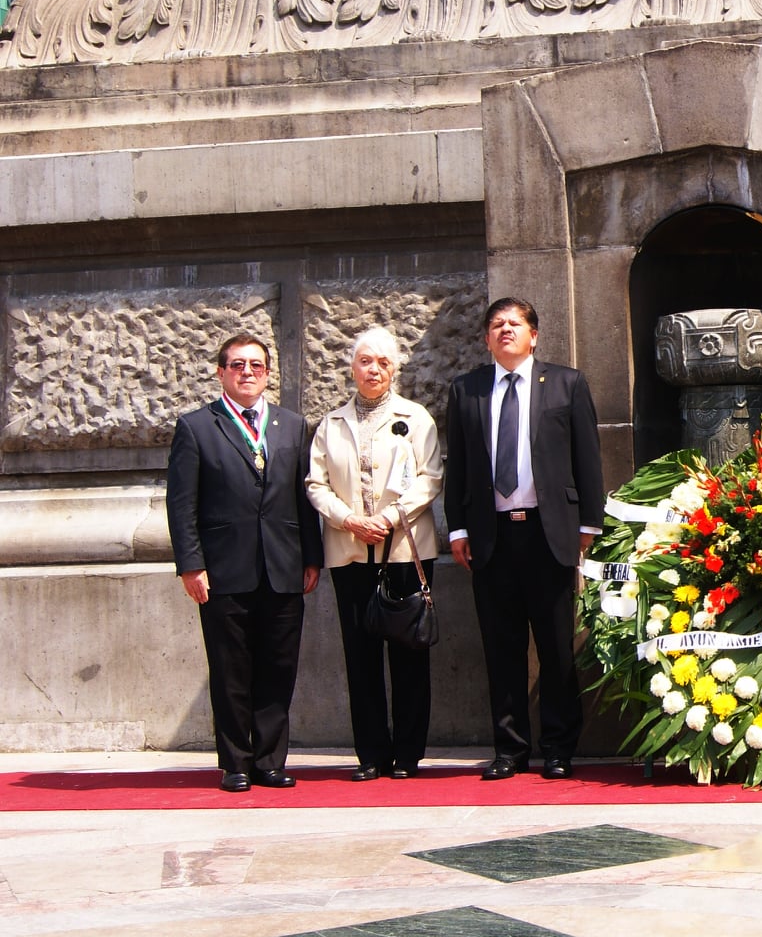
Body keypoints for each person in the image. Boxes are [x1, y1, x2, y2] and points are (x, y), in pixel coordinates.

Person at [444, 297, 604, 780]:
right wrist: (458, 528)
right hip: (491, 536)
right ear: (486, 338)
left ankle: (558, 747)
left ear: (534, 335)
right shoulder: (466, 390)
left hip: (548, 534)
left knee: (556, 648)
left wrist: (588, 526)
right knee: (501, 648)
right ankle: (509, 750)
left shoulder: (566, 383)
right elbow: (460, 466)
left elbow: (588, 458)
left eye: (515, 324)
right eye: (496, 325)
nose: (505, 330)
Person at [166, 334, 323, 793]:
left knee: (278, 667)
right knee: (231, 669)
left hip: (283, 567)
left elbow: (303, 497)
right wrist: (190, 565)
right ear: (221, 372)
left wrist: (310, 557)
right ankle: (235, 762)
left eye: (256, 365)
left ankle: (270, 760)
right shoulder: (196, 427)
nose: (247, 372)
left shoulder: (292, 426)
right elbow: (182, 504)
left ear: (268, 373)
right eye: (237, 365)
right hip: (222, 572)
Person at [306, 326, 444, 781]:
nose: (374, 369)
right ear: (352, 367)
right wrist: (348, 520)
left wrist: (388, 518)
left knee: (408, 655)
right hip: (349, 553)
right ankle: (371, 754)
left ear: (394, 370)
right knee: (360, 658)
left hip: (404, 550)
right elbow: (315, 484)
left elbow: (430, 477)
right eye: (366, 360)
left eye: (383, 362)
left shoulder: (416, 417)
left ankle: (407, 754)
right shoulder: (331, 423)